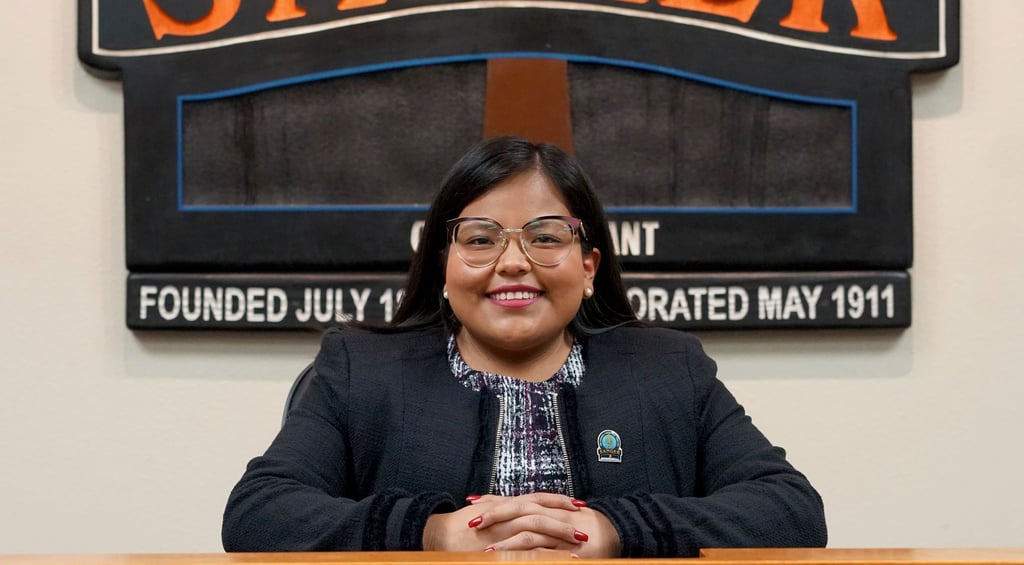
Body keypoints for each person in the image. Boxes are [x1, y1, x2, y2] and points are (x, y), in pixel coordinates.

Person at [221, 136, 827, 557]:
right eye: (481, 239)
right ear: (443, 265)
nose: (513, 263)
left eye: (545, 237)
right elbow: (260, 513)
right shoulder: (361, 369)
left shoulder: (668, 369)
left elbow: (790, 510)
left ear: (589, 267)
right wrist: (430, 536)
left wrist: (616, 532)